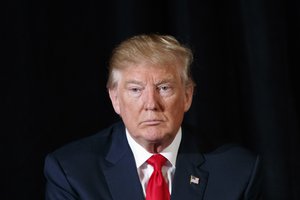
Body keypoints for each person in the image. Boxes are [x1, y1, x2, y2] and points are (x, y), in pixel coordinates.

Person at [44, 34, 262, 200]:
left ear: (187, 95)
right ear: (115, 99)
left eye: (164, 88)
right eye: (136, 90)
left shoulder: (238, 171)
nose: (151, 104)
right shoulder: (72, 172)